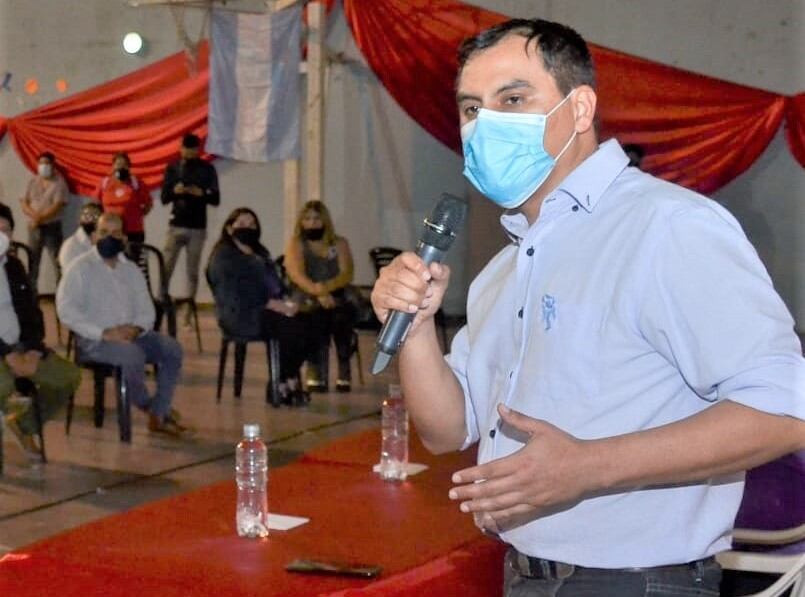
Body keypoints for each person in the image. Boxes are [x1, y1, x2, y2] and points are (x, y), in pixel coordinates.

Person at [370, 18, 805, 597]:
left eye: (513, 98)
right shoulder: (505, 268)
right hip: (525, 572)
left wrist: (587, 467)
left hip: (642, 583)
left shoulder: (666, 227)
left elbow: (785, 411)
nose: (485, 124)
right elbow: (448, 430)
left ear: (579, 110)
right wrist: (417, 325)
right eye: (471, 108)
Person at [56, 213, 188, 437]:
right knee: (132, 355)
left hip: (132, 334)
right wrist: (104, 333)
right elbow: (66, 311)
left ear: (124, 238)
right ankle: (149, 406)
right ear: (95, 235)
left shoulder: (131, 270)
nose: (109, 237)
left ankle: (159, 413)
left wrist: (136, 328)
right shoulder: (80, 268)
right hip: (95, 339)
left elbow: (146, 309)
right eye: (104, 232)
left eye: (116, 233)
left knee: (172, 349)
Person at [206, 208, 317, 405]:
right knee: (288, 327)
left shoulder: (260, 253)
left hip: (269, 309)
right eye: (241, 224)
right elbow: (233, 295)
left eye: (252, 225)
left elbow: (275, 285)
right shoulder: (223, 257)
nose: (247, 228)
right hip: (240, 315)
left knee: (311, 324)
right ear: (229, 228)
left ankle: (284, 378)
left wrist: (287, 302)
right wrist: (273, 305)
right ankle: (283, 384)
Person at [0, 203, 80, 459]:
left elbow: (32, 313)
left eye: (6, 230)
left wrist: (33, 348)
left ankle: (25, 425)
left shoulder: (14, 266)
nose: (2, 236)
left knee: (67, 377)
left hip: (22, 347)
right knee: (3, 384)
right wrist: (7, 354)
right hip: (2, 352)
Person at [284, 200, 357, 393]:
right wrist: (319, 292)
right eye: (307, 219)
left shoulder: (340, 243)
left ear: (324, 220)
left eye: (316, 218)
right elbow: (297, 274)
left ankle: (344, 368)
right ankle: (316, 370)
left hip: (335, 291)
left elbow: (346, 273)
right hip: (306, 291)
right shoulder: (296, 243)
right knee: (313, 314)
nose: (312, 223)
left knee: (341, 314)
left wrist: (327, 288)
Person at [160, 133, 220, 315]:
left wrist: (201, 194)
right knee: (166, 266)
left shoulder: (207, 169)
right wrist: (175, 191)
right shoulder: (173, 168)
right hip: (176, 224)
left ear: (197, 150)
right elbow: (164, 198)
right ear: (181, 148)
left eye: (192, 149)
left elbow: (216, 198)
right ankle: (161, 303)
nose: (188, 152)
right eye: (185, 148)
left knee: (192, 271)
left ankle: (189, 310)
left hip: (197, 226)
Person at [19, 151, 69, 295]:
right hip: (34, 228)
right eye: (41, 163)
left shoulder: (59, 182)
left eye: (47, 163)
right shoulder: (32, 181)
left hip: (51, 227)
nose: (44, 166)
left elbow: (58, 205)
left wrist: (38, 219)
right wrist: (34, 217)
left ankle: (61, 298)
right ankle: (32, 299)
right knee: (32, 263)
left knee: (58, 263)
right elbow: (24, 203)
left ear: (53, 165)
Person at [92, 152, 152, 261]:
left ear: (129, 167)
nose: (121, 167)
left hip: (133, 232)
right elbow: (96, 204)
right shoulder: (105, 183)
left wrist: (138, 215)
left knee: (132, 263)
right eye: (118, 164)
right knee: (111, 261)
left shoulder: (136, 183)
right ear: (113, 166)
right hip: (111, 233)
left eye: (124, 164)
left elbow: (148, 203)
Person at [58, 202, 102, 272]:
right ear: (79, 219)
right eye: (87, 216)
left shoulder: (104, 241)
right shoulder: (71, 245)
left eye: (95, 216)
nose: (91, 219)